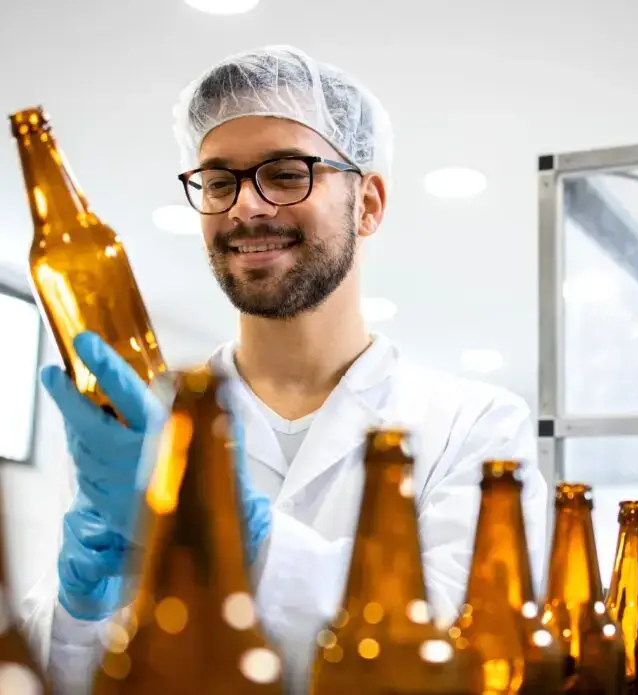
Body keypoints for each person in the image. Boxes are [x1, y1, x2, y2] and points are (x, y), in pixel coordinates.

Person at [19, 45, 549, 693]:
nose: (246, 207)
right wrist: (81, 612)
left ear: (368, 203)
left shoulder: (476, 426)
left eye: (286, 173)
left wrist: (243, 539)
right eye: (220, 181)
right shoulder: (144, 423)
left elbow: (462, 657)